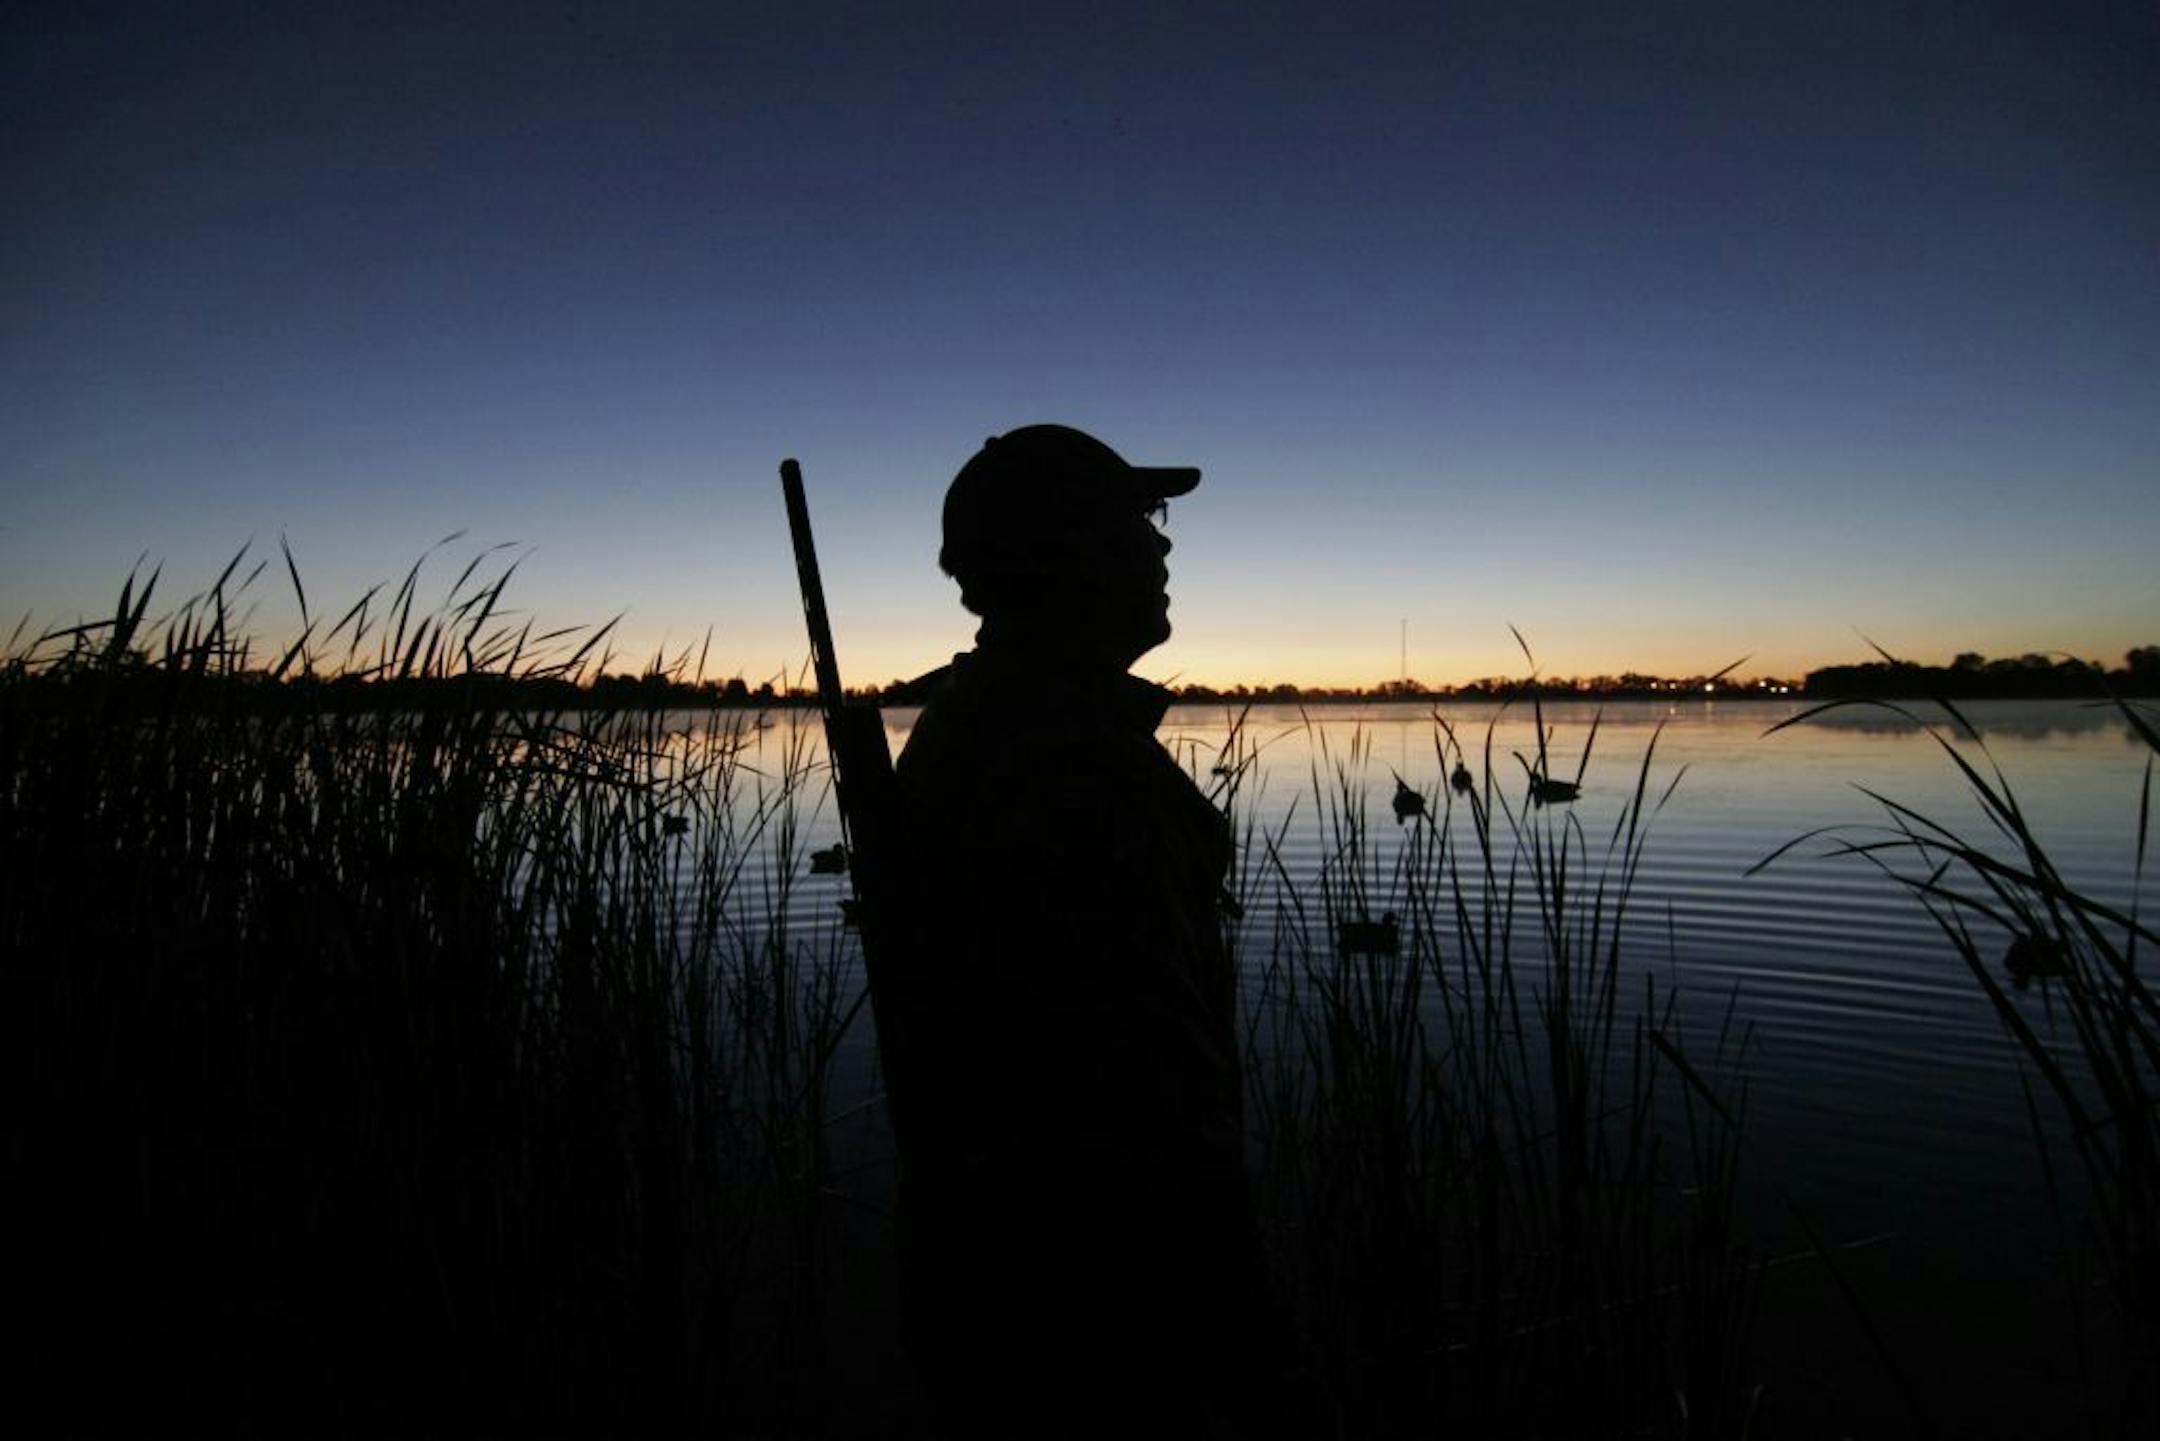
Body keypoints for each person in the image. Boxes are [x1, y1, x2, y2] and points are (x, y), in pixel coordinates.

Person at [885, 425, 1285, 1437]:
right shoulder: (1060, 762)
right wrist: (1232, 1322)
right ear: (1062, 551)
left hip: (1025, 1286)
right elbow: (1144, 1080)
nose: (1161, 548)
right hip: (1104, 1305)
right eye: (1135, 520)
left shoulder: (1002, 721)